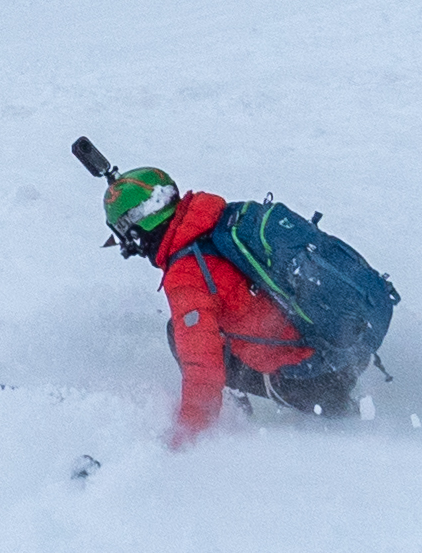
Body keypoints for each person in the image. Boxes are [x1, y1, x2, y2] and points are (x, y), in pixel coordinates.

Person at [94, 158, 357, 435]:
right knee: (206, 327)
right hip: (341, 349)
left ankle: (240, 422)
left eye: (127, 240)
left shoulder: (187, 276)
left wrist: (187, 437)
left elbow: (202, 371)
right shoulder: (216, 223)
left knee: (179, 332)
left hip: (312, 382)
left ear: (138, 232)